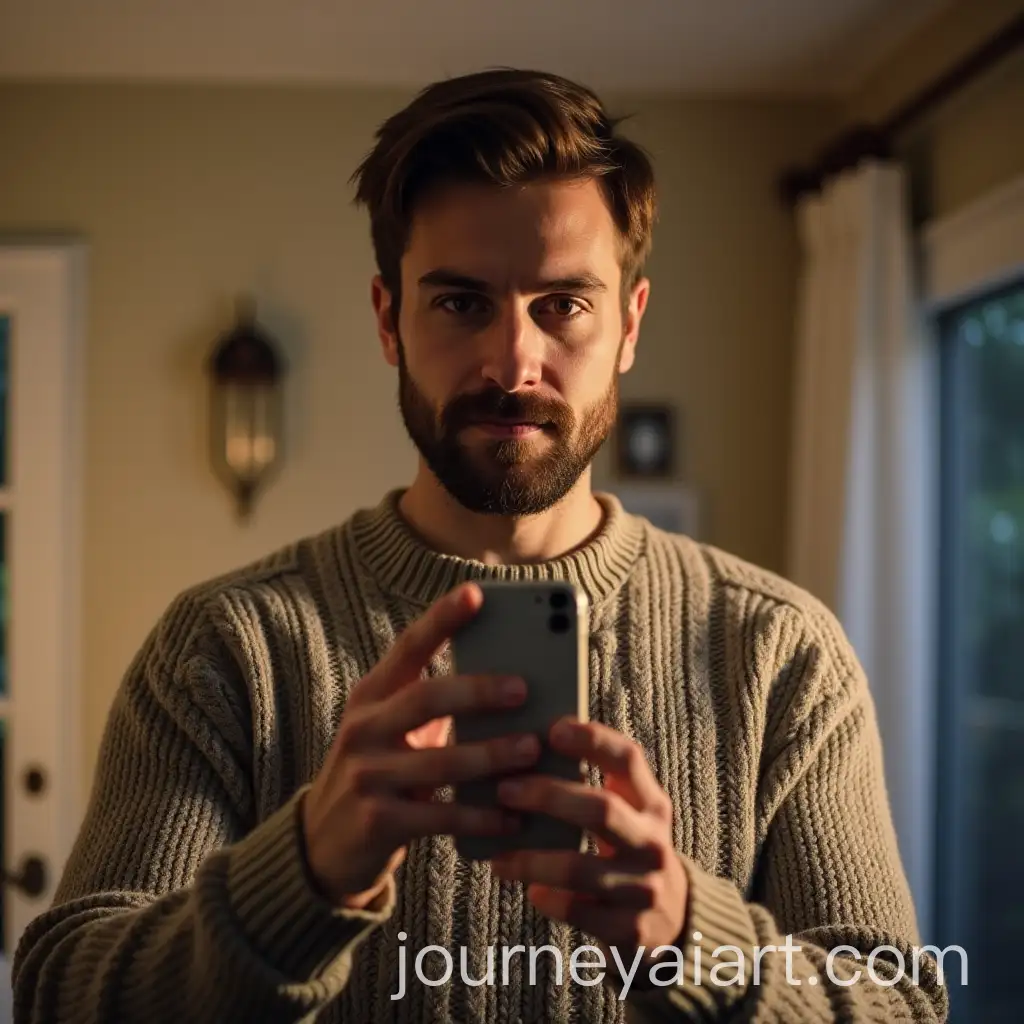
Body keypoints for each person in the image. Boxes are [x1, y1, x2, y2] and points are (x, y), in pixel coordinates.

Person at [12, 68, 947, 1024]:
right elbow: (64, 996)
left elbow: (901, 1005)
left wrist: (685, 938)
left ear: (628, 325)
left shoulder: (780, 651)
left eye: (562, 305)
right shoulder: (225, 647)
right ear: (390, 320)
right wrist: (302, 878)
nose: (512, 363)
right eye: (461, 303)